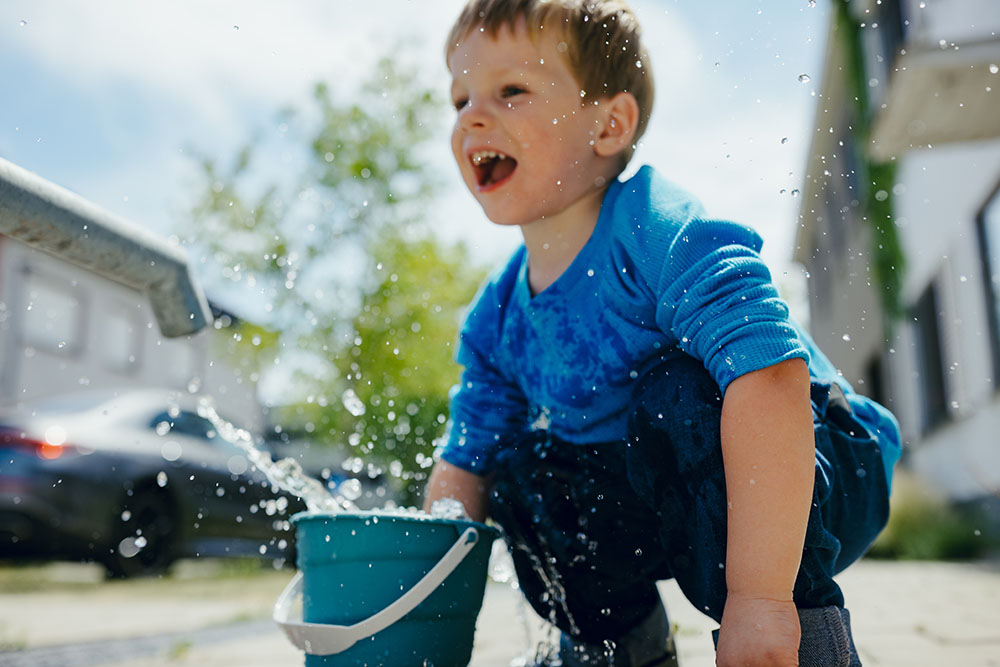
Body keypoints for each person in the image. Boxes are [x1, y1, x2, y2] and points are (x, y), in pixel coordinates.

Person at [423, 1, 901, 665]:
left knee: (675, 388)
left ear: (609, 124)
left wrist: (759, 600)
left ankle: (799, 631)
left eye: (511, 91)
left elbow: (771, 373)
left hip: (817, 457)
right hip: (669, 483)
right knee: (518, 465)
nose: (472, 115)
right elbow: (465, 465)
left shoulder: (657, 229)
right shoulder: (496, 319)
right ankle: (623, 649)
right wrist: (415, 597)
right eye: (459, 98)